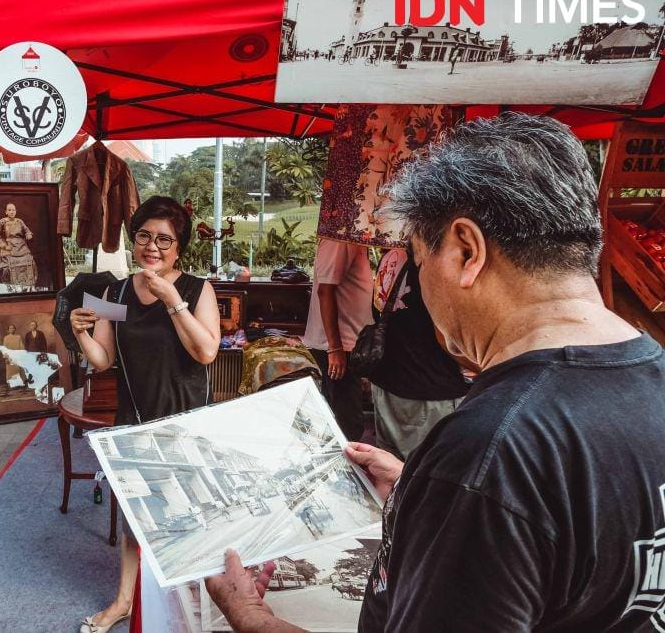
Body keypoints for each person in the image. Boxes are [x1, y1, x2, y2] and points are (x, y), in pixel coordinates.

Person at [206, 112, 665, 631]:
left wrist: (249, 616)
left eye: (421, 263)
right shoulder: (652, 374)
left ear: (467, 251)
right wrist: (417, 489)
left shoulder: (488, 453)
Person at [70, 195, 220, 633]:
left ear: (179, 247)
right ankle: (123, 601)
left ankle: (194, 600)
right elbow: (102, 361)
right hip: (134, 419)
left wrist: (172, 298)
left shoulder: (196, 289)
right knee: (136, 517)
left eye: (164, 240)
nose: (152, 246)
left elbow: (206, 351)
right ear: (132, 240)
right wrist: (81, 333)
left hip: (185, 420)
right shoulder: (114, 293)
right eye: (143, 236)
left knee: (190, 514)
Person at [366, 247, 472, 459]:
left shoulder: (390, 257)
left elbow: (377, 310)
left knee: (389, 470)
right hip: (427, 388)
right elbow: (447, 333)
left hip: (387, 382)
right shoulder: (436, 262)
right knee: (426, 474)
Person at [300, 238, 373, 441]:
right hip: (339, 344)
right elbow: (326, 291)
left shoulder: (352, 239)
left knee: (344, 412)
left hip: (347, 341)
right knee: (345, 419)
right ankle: (347, 466)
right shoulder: (340, 240)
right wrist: (335, 348)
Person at [0, 202, 38, 289]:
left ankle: (27, 286)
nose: (11, 212)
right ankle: (12, 287)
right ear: (6, 212)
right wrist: (4, 246)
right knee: (6, 265)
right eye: (9, 210)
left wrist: (28, 234)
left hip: (21, 245)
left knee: (29, 258)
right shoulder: (2, 222)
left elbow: (27, 230)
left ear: (16, 211)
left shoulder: (19, 221)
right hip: (8, 245)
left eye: (13, 210)